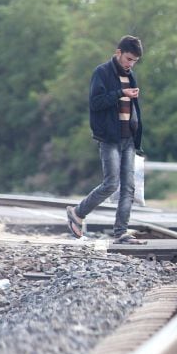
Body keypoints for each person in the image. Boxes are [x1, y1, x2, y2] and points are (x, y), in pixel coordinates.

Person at [66, 35, 145, 244]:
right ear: (118, 52)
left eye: (134, 61)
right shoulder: (101, 72)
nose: (130, 64)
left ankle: (121, 232)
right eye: (128, 59)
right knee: (111, 184)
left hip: (128, 137)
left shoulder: (131, 75)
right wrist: (121, 92)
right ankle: (77, 212)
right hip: (109, 138)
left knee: (128, 187)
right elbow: (96, 103)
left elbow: (131, 107)